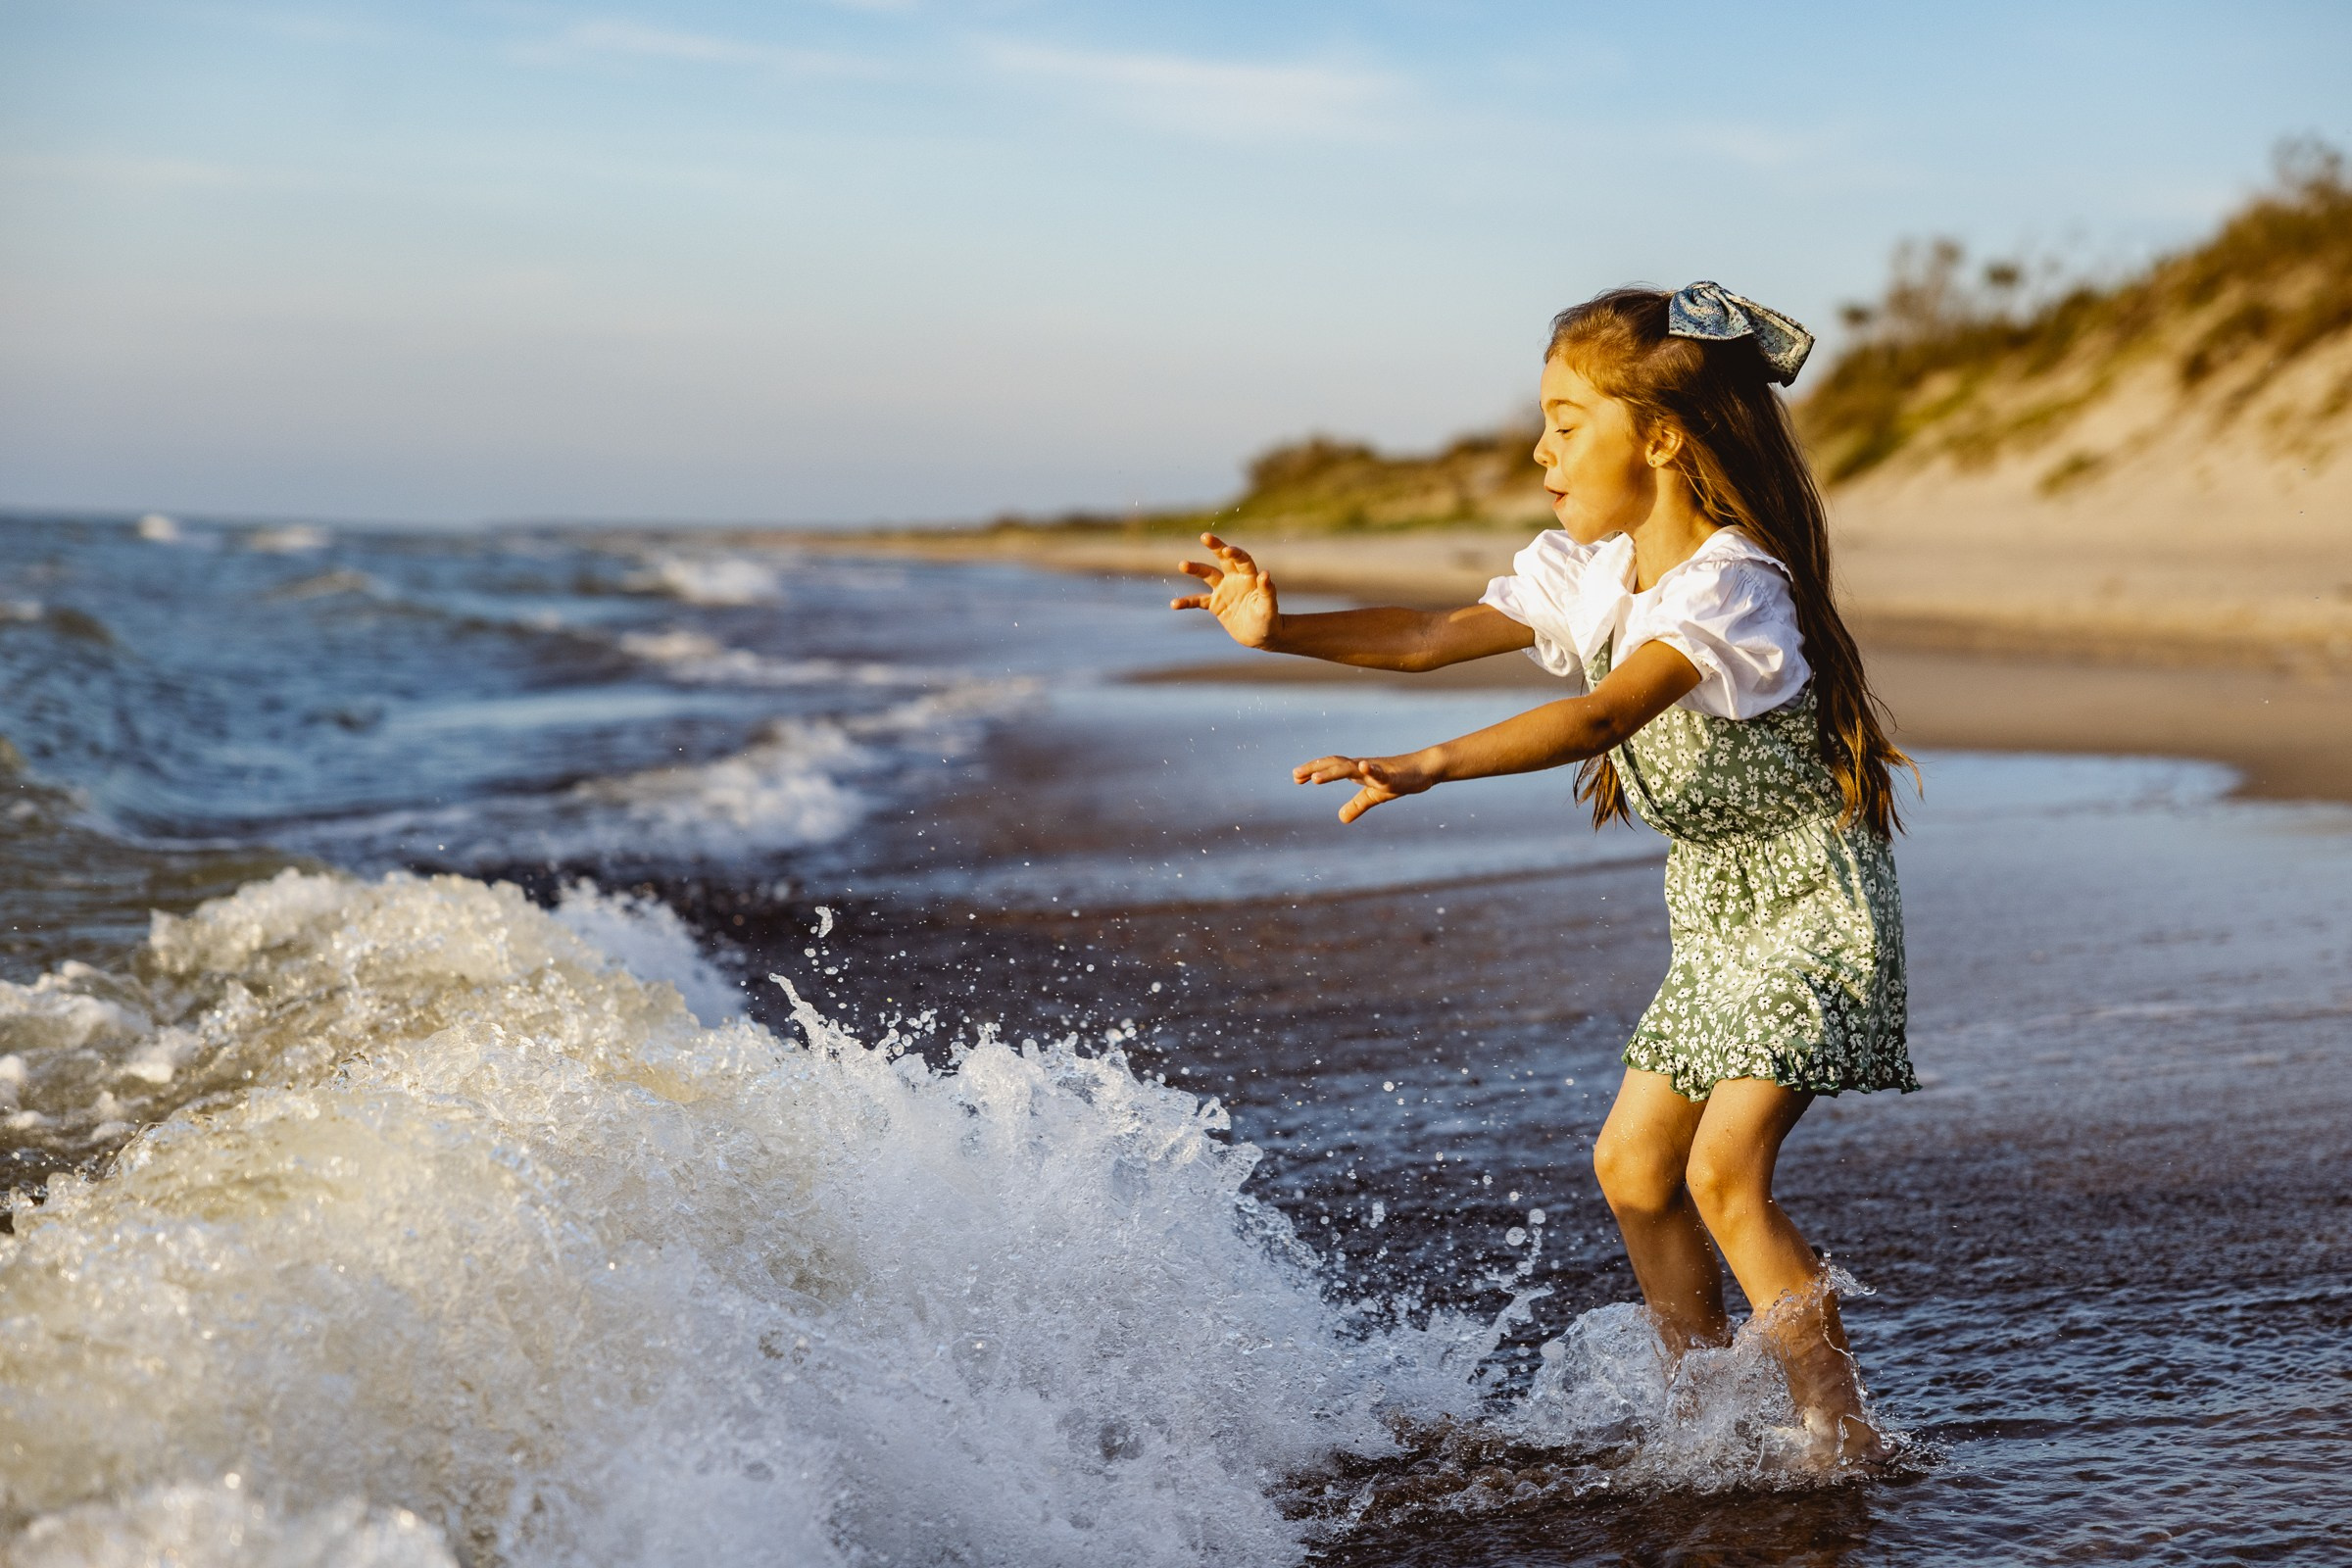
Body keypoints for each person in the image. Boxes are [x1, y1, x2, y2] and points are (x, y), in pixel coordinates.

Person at [1171, 283, 1916, 1464]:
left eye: (1568, 421)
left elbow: (1597, 718)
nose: (1541, 449)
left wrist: (1427, 765)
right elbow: (1428, 635)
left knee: (1725, 1173)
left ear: (1662, 437)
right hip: (1718, 919)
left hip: (1810, 913)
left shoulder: (1731, 585)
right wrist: (1282, 627)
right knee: (1630, 1166)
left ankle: (1841, 1429)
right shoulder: (1598, 576)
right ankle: (1703, 1418)